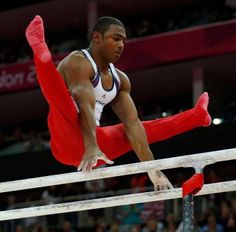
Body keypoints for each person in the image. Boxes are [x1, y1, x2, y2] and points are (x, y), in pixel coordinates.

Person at [25, 15, 211, 190]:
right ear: (97, 37)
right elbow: (85, 105)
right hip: (68, 139)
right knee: (62, 105)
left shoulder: (120, 79)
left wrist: (153, 169)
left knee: (139, 129)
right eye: (116, 39)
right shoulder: (78, 62)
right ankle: (41, 55)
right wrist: (90, 146)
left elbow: (133, 125)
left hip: (97, 146)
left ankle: (198, 116)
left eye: (123, 40)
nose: (121, 45)